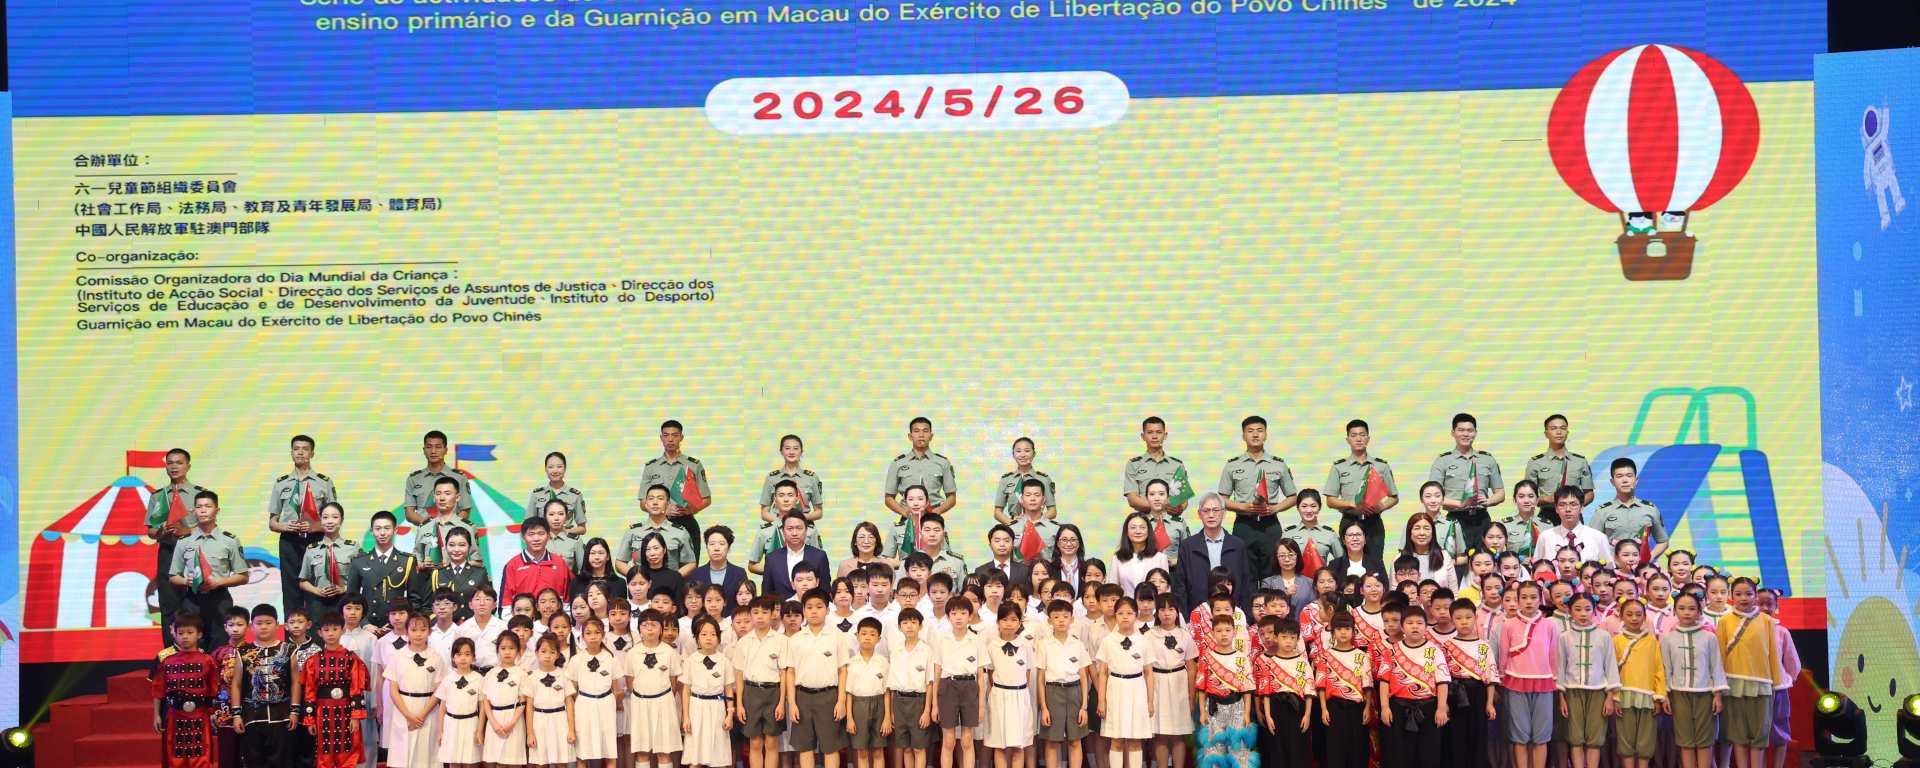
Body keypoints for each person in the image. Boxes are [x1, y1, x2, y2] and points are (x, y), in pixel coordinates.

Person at [1219, 416, 1299, 582]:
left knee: (1272, 573)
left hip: (1270, 525)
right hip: (1244, 525)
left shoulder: (1278, 464)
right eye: (1250, 431)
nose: (1255, 435)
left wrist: (1275, 508)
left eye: (1259, 431)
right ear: (1243, 436)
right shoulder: (1232, 465)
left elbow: (1292, 497)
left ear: (1266, 435)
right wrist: (1242, 507)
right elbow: (1222, 499)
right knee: (1244, 572)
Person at [167, 490, 249, 650]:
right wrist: (186, 581)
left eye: (208, 506)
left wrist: (219, 582)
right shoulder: (184, 541)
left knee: (221, 646)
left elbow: (243, 576)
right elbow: (173, 576)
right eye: (199, 507)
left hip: (219, 599)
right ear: (194, 511)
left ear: (217, 510)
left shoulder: (230, 541)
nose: (203, 510)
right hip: (192, 600)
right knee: (193, 646)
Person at [270, 435, 338, 622]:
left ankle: (318, 635)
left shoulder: (324, 482)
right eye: (296, 449)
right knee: (291, 592)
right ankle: (293, 636)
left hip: (316, 541)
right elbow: (272, 522)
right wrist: (285, 526)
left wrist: (315, 526)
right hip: (289, 542)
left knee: (317, 590)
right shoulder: (281, 483)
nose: (300, 452)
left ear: (312, 453)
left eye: (305, 449)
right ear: (291, 453)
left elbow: (333, 518)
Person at [147, 448, 211, 646]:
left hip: (194, 554)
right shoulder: (158, 496)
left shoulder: (200, 494)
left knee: (197, 604)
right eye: (170, 463)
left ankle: (200, 653)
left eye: (179, 463)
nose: (174, 467)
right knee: (169, 606)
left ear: (188, 466)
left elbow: (208, 525)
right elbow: (150, 531)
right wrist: (161, 531)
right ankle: (171, 654)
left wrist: (187, 530)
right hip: (168, 552)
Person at [1378, 607, 1451, 768]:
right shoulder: (1392, 651)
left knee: (1428, 754)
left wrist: (1441, 708)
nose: (1415, 626)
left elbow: (1442, 682)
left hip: (1428, 708)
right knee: (1401, 754)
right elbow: (1384, 681)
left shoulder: (1434, 650)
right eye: (1410, 623)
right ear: (1402, 627)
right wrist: (1384, 707)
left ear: (1426, 626)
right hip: (1398, 709)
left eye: (1419, 623)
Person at [1718, 578, 1778, 768]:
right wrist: (1719, 685)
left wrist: (1775, 683)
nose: (1743, 598)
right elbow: (1720, 655)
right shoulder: (1725, 620)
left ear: (1755, 595)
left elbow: (1773, 654)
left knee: (1759, 734)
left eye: (1748, 594)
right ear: (1731, 596)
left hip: (1762, 684)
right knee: (1738, 734)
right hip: (1733, 684)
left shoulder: (1767, 621)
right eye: (1738, 594)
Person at [788, 588, 851, 768]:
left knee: (831, 747)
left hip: (829, 697)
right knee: (805, 747)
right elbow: (790, 672)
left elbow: (843, 670)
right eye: (809, 607)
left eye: (819, 607)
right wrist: (792, 703)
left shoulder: (837, 636)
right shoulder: (796, 639)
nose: (814, 611)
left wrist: (841, 701)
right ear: (803, 610)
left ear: (827, 610)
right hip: (802, 697)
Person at [1428, 413, 1504, 560]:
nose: (1465, 434)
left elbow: (1500, 493)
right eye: (1461, 430)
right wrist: (1460, 504)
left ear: (1475, 433)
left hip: (1482, 519)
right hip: (1456, 518)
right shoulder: (1443, 461)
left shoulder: (1487, 459)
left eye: (1470, 430)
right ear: (1453, 433)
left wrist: (1488, 501)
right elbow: (1433, 496)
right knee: (1458, 561)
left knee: (1485, 560)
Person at [1663, 591, 1726, 768]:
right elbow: (1666, 668)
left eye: (1691, 608)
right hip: (1679, 694)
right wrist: (1666, 694)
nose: (1687, 612)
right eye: (1682, 608)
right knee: (1685, 740)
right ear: (1675, 610)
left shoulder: (1709, 637)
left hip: (1705, 693)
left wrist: (1718, 695)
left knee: (1705, 739)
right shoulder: (1668, 639)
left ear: (1699, 611)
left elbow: (1716, 666)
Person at [1556, 595, 1620, 768]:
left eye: (1587, 609)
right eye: (1577, 609)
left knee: (1595, 738)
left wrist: (1610, 697)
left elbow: (1610, 666)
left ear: (1594, 610)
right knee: (1575, 737)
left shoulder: (1604, 636)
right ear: (1570, 611)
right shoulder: (1564, 637)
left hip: (1598, 691)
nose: (1583, 614)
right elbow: (1560, 667)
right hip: (1572, 691)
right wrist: (1561, 697)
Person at [302, 610, 371, 768]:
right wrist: (310, 719)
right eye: (326, 630)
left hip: (346, 712)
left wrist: (355, 717)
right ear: (319, 633)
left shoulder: (352, 659)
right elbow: (310, 692)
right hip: (323, 713)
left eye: (335, 629)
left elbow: (356, 689)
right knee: (324, 755)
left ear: (342, 630)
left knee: (347, 754)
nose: (331, 633)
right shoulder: (313, 661)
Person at [1324, 420, 1400, 563]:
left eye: (1362, 435)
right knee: (1348, 564)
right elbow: (1330, 501)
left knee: (1375, 564)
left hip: (1373, 523)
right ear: (1348, 440)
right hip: (1349, 521)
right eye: (1354, 435)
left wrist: (1381, 507)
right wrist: (1352, 504)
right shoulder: (1339, 467)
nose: (1358, 439)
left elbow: (1394, 497)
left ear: (1368, 438)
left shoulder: (1381, 466)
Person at [231, 604, 296, 768]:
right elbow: (236, 684)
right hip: (252, 716)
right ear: (251, 626)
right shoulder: (243, 652)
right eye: (259, 623)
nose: (264, 627)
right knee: (254, 760)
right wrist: (236, 715)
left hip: (282, 715)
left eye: (268, 622)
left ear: (277, 624)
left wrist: (295, 711)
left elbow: (296, 682)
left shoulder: (289, 649)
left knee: (281, 761)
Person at [1502, 581, 1558, 768]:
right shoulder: (1508, 625)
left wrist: (1555, 679)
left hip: (1544, 684)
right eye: (1524, 597)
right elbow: (1503, 656)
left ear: (1540, 599)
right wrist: (1501, 679)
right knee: (1520, 735)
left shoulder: (1550, 625)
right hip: (1515, 683)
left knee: (1541, 736)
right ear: (1517, 600)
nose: (1529, 602)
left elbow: (1553, 656)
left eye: (1533, 597)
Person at [884, 417, 959, 555]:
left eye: (925, 431)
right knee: (908, 560)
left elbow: (952, 497)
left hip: (933, 520)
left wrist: (938, 511)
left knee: (939, 559)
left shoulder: (942, 463)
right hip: (908, 520)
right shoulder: (898, 463)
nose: (921, 434)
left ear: (931, 435)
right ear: (910, 436)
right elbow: (888, 498)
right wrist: (904, 512)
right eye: (916, 431)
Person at [1097, 596, 1155, 768]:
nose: (1125, 617)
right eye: (1121, 613)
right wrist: (1101, 700)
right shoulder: (1108, 641)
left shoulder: (1144, 641)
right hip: (1115, 690)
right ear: (1115, 615)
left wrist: (1150, 701)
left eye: (1129, 613)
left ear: (1136, 615)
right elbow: (1103, 673)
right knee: (1116, 739)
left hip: (1137, 690)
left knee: (1135, 739)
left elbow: (1149, 673)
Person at [1441, 598, 1499, 768]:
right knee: (1456, 737)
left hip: (1478, 695)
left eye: (1468, 617)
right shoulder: (1447, 646)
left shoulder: (1483, 646)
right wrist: (1444, 703)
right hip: (1454, 695)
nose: (1464, 622)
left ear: (1475, 618)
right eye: (1459, 618)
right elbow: (1442, 678)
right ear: (1452, 620)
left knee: (1478, 736)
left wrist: (1489, 703)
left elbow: (1490, 677)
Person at [384, 613, 445, 768]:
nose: (418, 634)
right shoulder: (397, 656)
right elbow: (393, 690)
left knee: (426, 754)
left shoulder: (436, 657)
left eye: (423, 630)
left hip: (428, 710)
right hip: (403, 709)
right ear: (407, 631)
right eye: (414, 630)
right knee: (402, 755)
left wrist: (422, 714)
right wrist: (408, 716)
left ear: (429, 632)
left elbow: (438, 691)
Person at [1613, 598, 1668, 768]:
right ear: (1621, 616)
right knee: (1625, 739)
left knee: (1646, 739)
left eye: (1638, 614)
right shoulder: (1616, 641)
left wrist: (1659, 696)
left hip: (1647, 697)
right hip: (1624, 696)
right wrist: (1615, 696)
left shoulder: (1652, 641)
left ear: (1645, 617)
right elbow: (1611, 671)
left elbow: (1659, 669)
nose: (1634, 618)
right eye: (1629, 614)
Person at [1036, 599, 1091, 768]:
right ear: (1049, 620)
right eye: (1056, 617)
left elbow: (1083, 676)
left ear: (1072, 619)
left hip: (1074, 692)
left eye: (1065, 616)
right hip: (1053, 692)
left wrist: (1084, 706)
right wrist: (1044, 707)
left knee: (1075, 740)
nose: (1061, 620)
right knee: (1052, 741)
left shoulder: (1077, 644)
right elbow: (1040, 678)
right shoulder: (1044, 644)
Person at [640, 419, 713, 544]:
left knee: (690, 557)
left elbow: (706, 499)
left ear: (681, 437)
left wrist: (691, 509)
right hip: (659, 524)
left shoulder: (693, 465)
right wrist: (663, 510)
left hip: (686, 523)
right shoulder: (651, 467)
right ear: (661, 438)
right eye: (666, 435)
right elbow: (643, 503)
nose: (670, 439)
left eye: (675, 435)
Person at [1174, 494, 1251, 613]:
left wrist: (1246, 616)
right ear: (1199, 514)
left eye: (1215, 510)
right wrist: (1184, 618)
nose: (1211, 515)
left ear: (1224, 513)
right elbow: (1181, 586)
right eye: (1206, 511)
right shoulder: (1188, 546)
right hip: (1197, 612)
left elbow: (1246, 584)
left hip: (1231, 613)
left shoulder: (1238, 545)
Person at [933, 597, 987, 768]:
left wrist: (981, 705)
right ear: (948, 616)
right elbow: (936, 673)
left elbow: (981, 675)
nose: (958, 617)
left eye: (963, 613)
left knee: (967, 740)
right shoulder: (942, 639)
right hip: (948, 687)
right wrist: (934, 704)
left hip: (970, 687)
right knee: (949, 740)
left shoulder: (977, 640)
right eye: (954, 613)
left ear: (970, 616)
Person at [982, 603, 1037, 768]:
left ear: (1020, 623)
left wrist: (1019, 689)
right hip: (999, 697)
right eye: (1005, 619)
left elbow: (1027, 672)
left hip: (1020, 697)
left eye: (1013, 619)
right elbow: (990, 673)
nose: (1009, 624)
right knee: (1000, 745)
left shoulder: (1025, 645)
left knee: (1018, 746)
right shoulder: (992, 645)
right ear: (998, 622)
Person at [678, 615, 734, 768]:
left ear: (718, 638)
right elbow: (686, 690)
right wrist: (686, 717)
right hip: (696, 708)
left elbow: (729, 689)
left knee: (719, 758)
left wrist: (730, 715)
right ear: (697, 638)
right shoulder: (690, 661)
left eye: (713, 634)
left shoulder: (724, 661)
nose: (708, 638)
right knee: (695, 758)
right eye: (704, 634)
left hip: (717, 708)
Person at [567, 617, 623, 766]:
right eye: (588, 633)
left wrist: (612, 702)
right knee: (583, 751)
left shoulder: (610, 658)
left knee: (609, 749)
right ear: (582, 636)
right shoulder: (576, 659)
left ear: (603, 635)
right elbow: (572, 689)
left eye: (597, 632)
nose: (593, 636)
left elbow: (616, 688)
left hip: (606, 704)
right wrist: (583, 701)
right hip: (584, 704)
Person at [348, 511, 421, 622]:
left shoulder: (407, 561)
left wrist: (402, 623)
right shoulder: (359, 561)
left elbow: (414, 600)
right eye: (378, 529)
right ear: (372, 531)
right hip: (368, 624)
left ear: (395, 530)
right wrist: (364, 624)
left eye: (387, 528)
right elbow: (351, 600)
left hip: (397, 623)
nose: (382, 533)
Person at [889, 606, 938, 768]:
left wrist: (926, 710)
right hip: (899, 701)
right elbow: (891, 684)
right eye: (905, 623)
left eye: (913, 622)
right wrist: (892, 712)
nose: (909, 626)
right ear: (899, 627)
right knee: (906, 748)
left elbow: (930, 683)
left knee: (918, 748)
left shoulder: (927, 650)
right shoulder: (896, 650)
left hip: (919, 702)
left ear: (920, 626)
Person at [1593, 458, 1669, 558]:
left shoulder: (1650, 509)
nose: (1625, 480)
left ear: (1636, 480)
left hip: (1641, 566)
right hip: (1613, 566)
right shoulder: (1602, 511)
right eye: (1619, 476)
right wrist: (1609, 561)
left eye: (1629, 476)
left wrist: (1648, 558)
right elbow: (1593, 543)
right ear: (1612, 482)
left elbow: (1663, 541)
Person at [1526, 415, 1596, 523]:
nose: (1559, 432)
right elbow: (1527, 497)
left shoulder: (1580, 461)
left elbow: (1589, 494)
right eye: (1553, 428)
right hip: (1547, 517)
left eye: (1563, 428)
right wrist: (1546, 499)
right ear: (1546, 434)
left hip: (1574, 516)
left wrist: (1575, 506)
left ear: (1567, 432)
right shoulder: (1536, 462)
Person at [298, 501, 359, 619]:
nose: (330, 521)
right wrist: (317, 590)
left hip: (345, 604)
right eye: (325, 517)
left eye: (335, 517)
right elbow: (303, 581)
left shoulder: (353, 547)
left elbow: (361, 579)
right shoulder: (311, 549)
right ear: (320, 520)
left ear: (341, 520)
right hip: (319, 605)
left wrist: (344, 589)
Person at [620, 484, 699, 573]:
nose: (655, 502)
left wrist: (675, 578)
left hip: (669, 580)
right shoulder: (633, 531)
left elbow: (690, 563)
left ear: (668, 504)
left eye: (660, 498)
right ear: (646, 504)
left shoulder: (680, 532)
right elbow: (620, 562)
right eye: (651, 498)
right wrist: (635, 577)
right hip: (641, 581)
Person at [526, 633, 577, 768]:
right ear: (536, 653)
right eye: (543, 651)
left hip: (560, 721)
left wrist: (571, 730)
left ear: (558, 654)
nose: (547, 656)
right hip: (539, 722)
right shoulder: (531, 678)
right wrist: (530, 733)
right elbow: (529, 707)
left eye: (552, 652)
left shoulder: (563, 675)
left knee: (561, 762)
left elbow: (569, 703)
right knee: (541, 762)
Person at [434, 637, 486, 768]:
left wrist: (480, 731)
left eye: (467, 654)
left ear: (473, 657)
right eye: (459, 654)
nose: (463, 658)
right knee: (454, 761)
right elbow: (442, 709)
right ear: (453, 658)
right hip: (451, 725)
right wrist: (440, 731)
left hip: (471, 724)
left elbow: (482, 707)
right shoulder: (448, 679)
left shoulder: (479, 679)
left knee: (470, 761)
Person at [1125, 416, 1190, 517]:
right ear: (1143, 436)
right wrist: (1159, 507)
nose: (1154, 436)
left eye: (1159, 432)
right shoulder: (1133, 464)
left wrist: (1179, 508)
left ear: (1165, 435)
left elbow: (1183, 499)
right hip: (1144, 522)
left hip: (1171, 521)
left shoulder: (1177, 465)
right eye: (1150, 432)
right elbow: (1132, 499)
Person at [499, 516, 572, 607]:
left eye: (541, 533)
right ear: (523, 537)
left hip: (554, 615)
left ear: (548, 535)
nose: (536, 538)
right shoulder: (512, 565)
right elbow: (505, 603)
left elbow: (567, 601)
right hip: (524, 616)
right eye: (531, 534)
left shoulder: (560, 563)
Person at [754, 479, 825, 572]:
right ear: (775, 499)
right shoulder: (764, 531)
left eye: (790, 495)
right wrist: (774, 571)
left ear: (797, 499)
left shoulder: (810, 530)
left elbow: (818, 561)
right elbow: (752, 565)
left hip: (803, 579)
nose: (786, 499)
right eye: (781, 495)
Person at [404, 430, 473, 525]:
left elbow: (465, 509)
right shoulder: (414, 479)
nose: (433, 451)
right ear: (424, 450)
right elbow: (409, 512)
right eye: (429, 447)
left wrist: (449, 526)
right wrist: (427, 525)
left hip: (452, 532)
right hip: (424, 531)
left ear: (445, 450)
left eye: (438, 447)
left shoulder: (459, 477)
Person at [481, 631, 529, 765]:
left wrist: (511, 723)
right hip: (494, 721)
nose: (507, 652)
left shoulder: (521, 674)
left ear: (518, 651)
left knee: (513, 761)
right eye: (503, 648)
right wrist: (494, 723)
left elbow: (522, 701)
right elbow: (486, 701)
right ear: (498, 650)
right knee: (497, 761)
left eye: (512, 648)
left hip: (514, 721)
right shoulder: (491, 674)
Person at [1535, 487, 1613, 568]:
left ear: (1582, 508)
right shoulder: (1545, 537)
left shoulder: (1598, 538)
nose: (1568, 509)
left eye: (1573, 505)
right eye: (1562, 505)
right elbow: (1537, 568)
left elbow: (1609, 570)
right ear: (1556, 509)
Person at [763, 511, 834, 600]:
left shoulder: (819, 556)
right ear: (783, 531)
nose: (794, 533)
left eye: (799, 528)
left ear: (806, 530)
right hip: (782, 608)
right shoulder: (772, 559)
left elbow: (825, 591)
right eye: (790, 528)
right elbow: (766, 594)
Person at [686, 525, 750, 612]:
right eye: (712, 544)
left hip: (731, 619)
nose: (716, 548)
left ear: (729, 548)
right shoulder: (697, 573)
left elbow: (745, 601)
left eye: (722, 544)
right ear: (707, 547)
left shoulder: (739, 573)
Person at [994, 436, 1058, 523]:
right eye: (1018, 451)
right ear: (1013, 454)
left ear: (1034, 454)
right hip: (1013, 526)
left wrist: (1034, 523)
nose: (1022, 455)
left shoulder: (1044, 479)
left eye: (1027, 451)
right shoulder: (1006, 479)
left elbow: (1052, 511)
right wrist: (1013, 525)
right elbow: (997, 512)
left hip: (1038, 525)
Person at [526, 451, 588, 536]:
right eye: (551, 467)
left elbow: (582, 528)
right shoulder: (537, 494)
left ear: (565, 468)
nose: (555, 471)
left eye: (559, 467)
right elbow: (528, 525)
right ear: (545, 469)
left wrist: (566, 531)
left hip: (566, 541)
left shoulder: (575, 495)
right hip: (543, 542)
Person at [1009, 479, 1063, 564]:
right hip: (1018, 571)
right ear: (1022, 499)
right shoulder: (1011, 528)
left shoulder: (1056, 529)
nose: (1032, 499)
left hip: (1047, 571)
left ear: (1043, 500)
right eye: (1028, 495)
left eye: (1037, 495)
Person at [1500, 480, 1550, 561]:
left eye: (1531, 496)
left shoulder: (1547, 525)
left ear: (1537, 500)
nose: (1526, 501)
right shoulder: (1505, 525)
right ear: (1515, 500)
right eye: (1521, 496)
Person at [973, 524, 1033, 590]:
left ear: (1013, 544)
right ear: (990, 545)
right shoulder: (980, 571)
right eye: (997, 541)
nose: (1002, 544)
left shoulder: (1024, 570)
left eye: (1006, 541)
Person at [541, 499, 586, 575]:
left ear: (566, 517)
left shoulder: (575, 541)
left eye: (561, 514)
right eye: (551, 514)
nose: (556, 518)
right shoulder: (539, 540)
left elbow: (583, 570)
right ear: (545, 517)